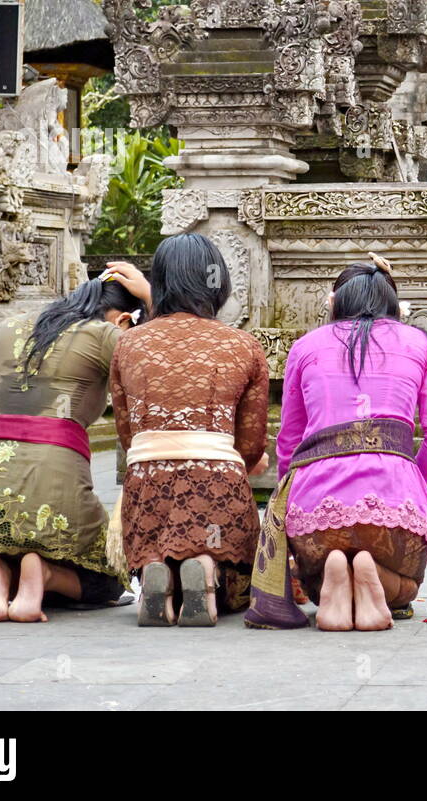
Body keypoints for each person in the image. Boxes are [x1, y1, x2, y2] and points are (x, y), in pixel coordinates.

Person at [251, 253, 427, 631]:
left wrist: (292, 493)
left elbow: (289, 442)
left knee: (314, 572)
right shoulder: (423, 345)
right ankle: (377, 578)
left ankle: (329, 577)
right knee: (407, 587)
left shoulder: (305, 346)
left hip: (316, 508)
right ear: (394, 306)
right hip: (394, 507)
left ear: (335, 303)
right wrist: (411, 480)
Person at [0, 263, 150, 623]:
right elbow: (166, 365)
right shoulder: (106, 335)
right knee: (107, 580)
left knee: (10, 539)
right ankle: (41, 574)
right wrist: (151, 296)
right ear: (123, 320)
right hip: (53, 492)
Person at [110, 233, 270, 627]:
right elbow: (251, 444)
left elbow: (128, 435)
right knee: (231, 562)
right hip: (217, 484)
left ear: (159, 284)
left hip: (147, 483)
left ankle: (153, 569)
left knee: (158, 528)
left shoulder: (128, 345)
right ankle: (207, 569)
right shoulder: (243, 345)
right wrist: (244, 462)